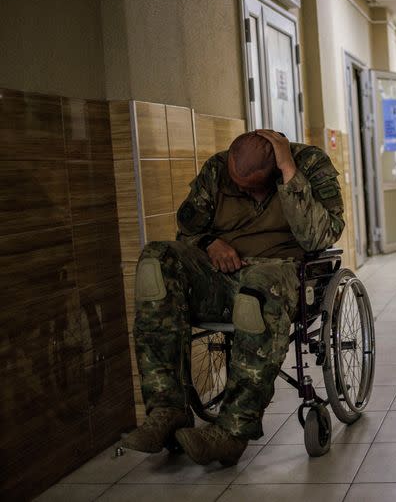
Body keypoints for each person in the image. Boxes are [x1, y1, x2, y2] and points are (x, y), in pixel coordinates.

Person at [121, 129, 344, 466]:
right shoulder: (217, 170)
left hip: (280, 274)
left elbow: (319, 237)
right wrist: (210, 241)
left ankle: (232, 432)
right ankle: (167, 409)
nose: (239, 189)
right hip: (221, 275)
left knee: (256, 290)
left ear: (273, 170)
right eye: (235, 182)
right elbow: (188, 229)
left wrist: (290, 174)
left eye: (249, 185)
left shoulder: (310, 165)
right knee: (156, 262)